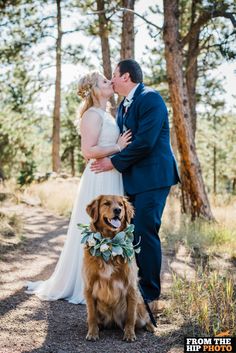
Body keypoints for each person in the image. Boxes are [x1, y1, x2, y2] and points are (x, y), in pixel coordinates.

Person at [26, 71, 131, 304]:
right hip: (99, 178)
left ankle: (108, 281)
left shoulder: (107, 114)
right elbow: (88, 151)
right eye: (105, 81)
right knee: (95, 228)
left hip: (111, 175)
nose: (110, 82)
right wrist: (118, 146)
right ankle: (86, 283)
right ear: (94, 89)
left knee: (111, 228)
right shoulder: (92, 115)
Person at [91, 59, 180, 304]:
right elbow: (122, 141)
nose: (111, 79)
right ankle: (132, 285)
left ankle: (150, 294)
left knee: (145, 230)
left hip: (153, 177)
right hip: (131, 181)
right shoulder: (122, 107)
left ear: (126, 77)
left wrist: (113, 163)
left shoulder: (151, 99)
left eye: (114, 75)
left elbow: (145, 142)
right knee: (130, 232)